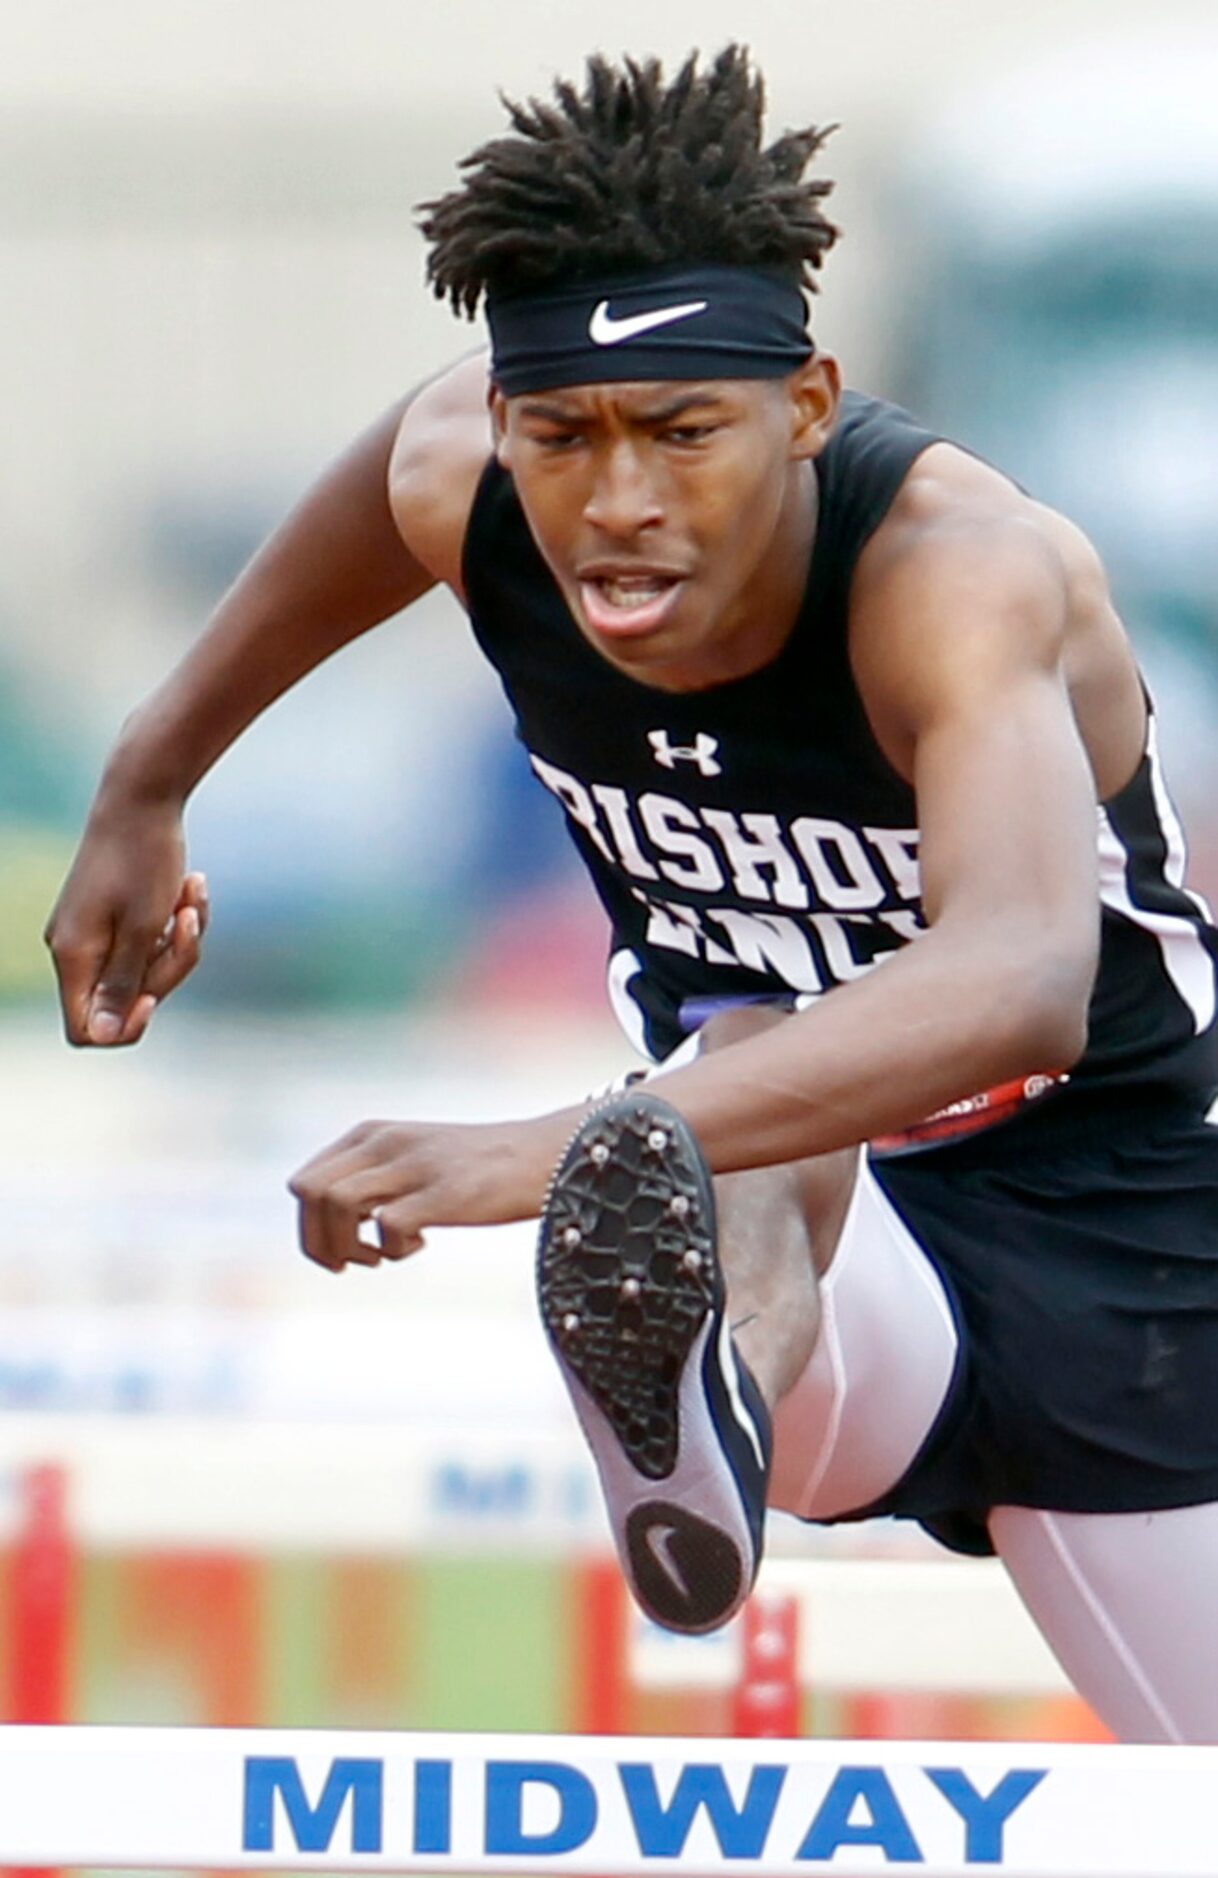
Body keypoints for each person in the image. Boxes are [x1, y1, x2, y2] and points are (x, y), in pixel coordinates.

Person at [46, 48, 1218, 1741]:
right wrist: (147, 779)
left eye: (684, 434)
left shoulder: (954, 576)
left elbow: (1019, 976)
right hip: (807, 1229)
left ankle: (655, 1186)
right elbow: (403, 457)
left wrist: (525, 1153)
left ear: (807, 405)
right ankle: (700, 1373)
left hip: (1106, 1204)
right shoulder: (474, 468)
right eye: (562, 435)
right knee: (732, 1095)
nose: (618, 506)